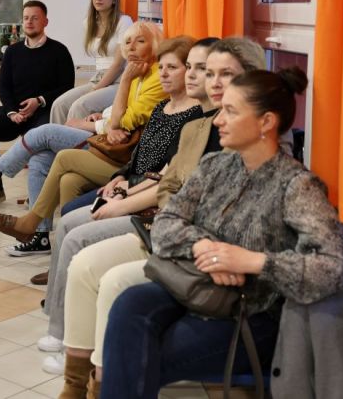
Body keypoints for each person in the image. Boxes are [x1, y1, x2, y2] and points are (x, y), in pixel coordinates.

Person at [97, 68, 343, 399]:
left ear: (266, 122)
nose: (218, 120)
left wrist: (252, 262)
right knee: (128, 303)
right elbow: (165, 223)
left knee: (138, 355)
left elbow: (338, 266)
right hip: (194, 287)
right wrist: (206, 249)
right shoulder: (214, 166)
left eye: (230, 111)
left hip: (250, 314)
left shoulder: (296, 186)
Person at [44, 36, 270, 384]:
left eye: (220, 73)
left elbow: (221, 218)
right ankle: (78, 379)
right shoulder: (199, 127)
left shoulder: (262, 157)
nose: (209, 81)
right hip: (170, 234)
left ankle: (95, 379)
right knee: (83, 251)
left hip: (201, 261)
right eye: (206, 72)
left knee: (106, 273)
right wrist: (125, 188)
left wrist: (234, 257)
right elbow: (170, 188)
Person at [0, 26, 175, 257]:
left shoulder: (153, 78)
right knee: (42, 159)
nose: (131, 48)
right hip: (112, 143)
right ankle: (41, 238)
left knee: (45, 135)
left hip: (122, 153)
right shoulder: (139, 74)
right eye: (128, 42)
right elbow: (118, 114)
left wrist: (90, 122)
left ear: (155, 45)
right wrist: (102, 116)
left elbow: (124, 122)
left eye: (140, 41)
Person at [0, 0, 74, 211]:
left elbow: (67, 87)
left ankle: (40, 193)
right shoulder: (12, 52)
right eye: (26, 18)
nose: (29, 22)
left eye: (35, 18)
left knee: (39, 137)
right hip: (15, 112)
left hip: (43, 112)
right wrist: (11, 112)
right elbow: (3, 87)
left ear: (45, 21)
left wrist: (39, 101)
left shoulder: (59, 51)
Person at [49, 0, 133, 124]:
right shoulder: (89, 23)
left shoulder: (124, 22)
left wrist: (96, 88)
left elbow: (118, 66)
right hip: (99, 77)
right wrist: (96, 86)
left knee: (79, 106)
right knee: (59, 105)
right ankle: (55, 139)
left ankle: (72, 139)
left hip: (119, 81)